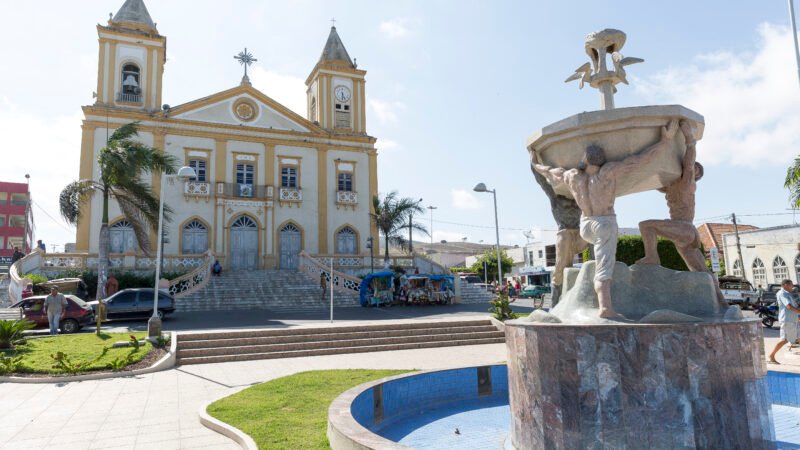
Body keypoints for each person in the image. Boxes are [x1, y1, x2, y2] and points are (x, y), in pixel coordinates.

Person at [533, 119, 679, 319]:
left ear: (585, 159)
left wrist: (535, 162)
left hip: (585, 224)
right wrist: (665, 140)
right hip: (603, 223)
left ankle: (569, 259)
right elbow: (642, 159)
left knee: (577, 241)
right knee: (604, 268)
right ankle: (605, 308)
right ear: (601, 160)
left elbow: (549, 172)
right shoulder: (608, 172)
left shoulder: (573, 176)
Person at [636, 120, 727, 307]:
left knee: (646, 226)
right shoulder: (672, 186)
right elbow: (657, 181)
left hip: (683, 228)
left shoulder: (687, 183)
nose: (692, 169)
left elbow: (689, 161)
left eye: (695, 170)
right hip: (685, 233)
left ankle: (652, 257)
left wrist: (689, 137)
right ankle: (722, 303)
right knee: (701, 271)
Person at [768, 279, 800, 364]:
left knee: (797, 337)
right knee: (784, 339)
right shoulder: (782, 294)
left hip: (793, 319)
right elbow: (789, 306)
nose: (792, 286)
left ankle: (771, 355)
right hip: (787, 320)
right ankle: (771, 355)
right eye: (791, 285)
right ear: (785, 285)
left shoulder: (788, 293)